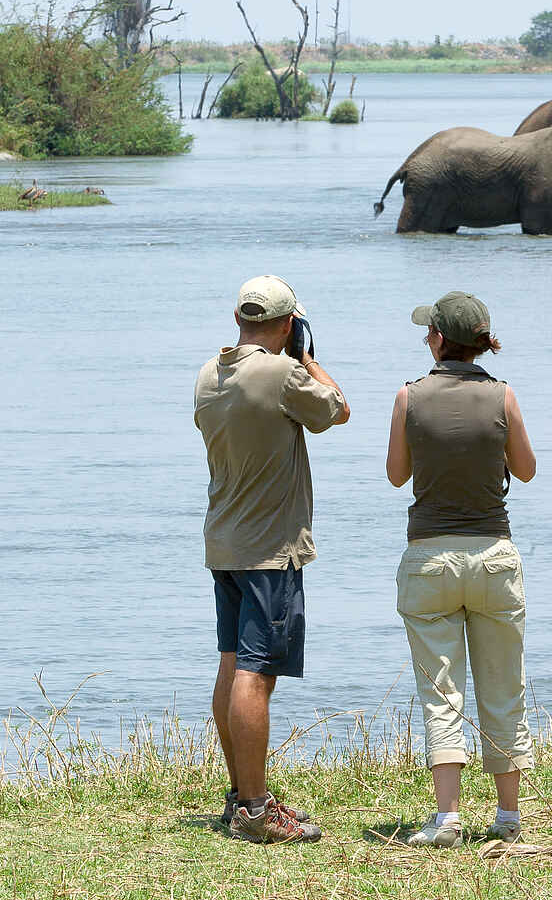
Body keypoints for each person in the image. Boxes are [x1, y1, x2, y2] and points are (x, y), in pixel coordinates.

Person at [193, 275, 351, 843]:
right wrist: (307, 359)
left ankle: (242, 797)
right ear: (287, 324)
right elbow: (338, 410)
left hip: (225, 542)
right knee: (257, 676)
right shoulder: (283, 372)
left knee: (233, 663)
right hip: (269, 550)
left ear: (239, 320)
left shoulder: (209, 375)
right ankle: (258, 811)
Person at [385, 291, 538, 848]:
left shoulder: (408, 396)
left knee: (440, 691)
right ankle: (507, 814)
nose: (426, 339)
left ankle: (447, 816)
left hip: (429, 556)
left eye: (430, 333)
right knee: (503, 685)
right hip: (493, 554)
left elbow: (396, 475)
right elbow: (525, 470)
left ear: (441, 341)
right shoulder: (503, 395)